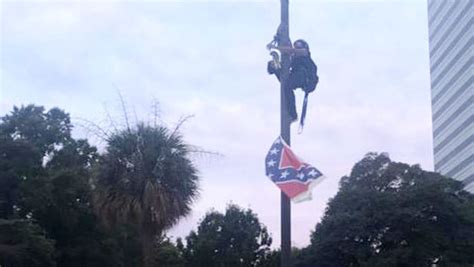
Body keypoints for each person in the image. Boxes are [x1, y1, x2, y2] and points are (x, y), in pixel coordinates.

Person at [268, 39, 319, 123]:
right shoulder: (294, 59)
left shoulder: (304, 52)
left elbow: (290, 50)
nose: (296, 49)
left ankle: (293, 115)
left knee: (288, 86)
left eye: (298, 47)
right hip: (298, 76)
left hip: (305, 77)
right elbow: (289, 55)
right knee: (284, 80)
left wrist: (275, 47)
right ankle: (275, 66)